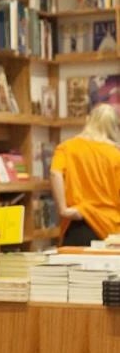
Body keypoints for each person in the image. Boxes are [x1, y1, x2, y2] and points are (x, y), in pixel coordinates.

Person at [50, 103, 120, 246]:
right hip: (111, 229)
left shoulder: (67, 147)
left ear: (89, 120)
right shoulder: (115, 154)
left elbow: (55, 173)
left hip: (77, 222)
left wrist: (63, 209)